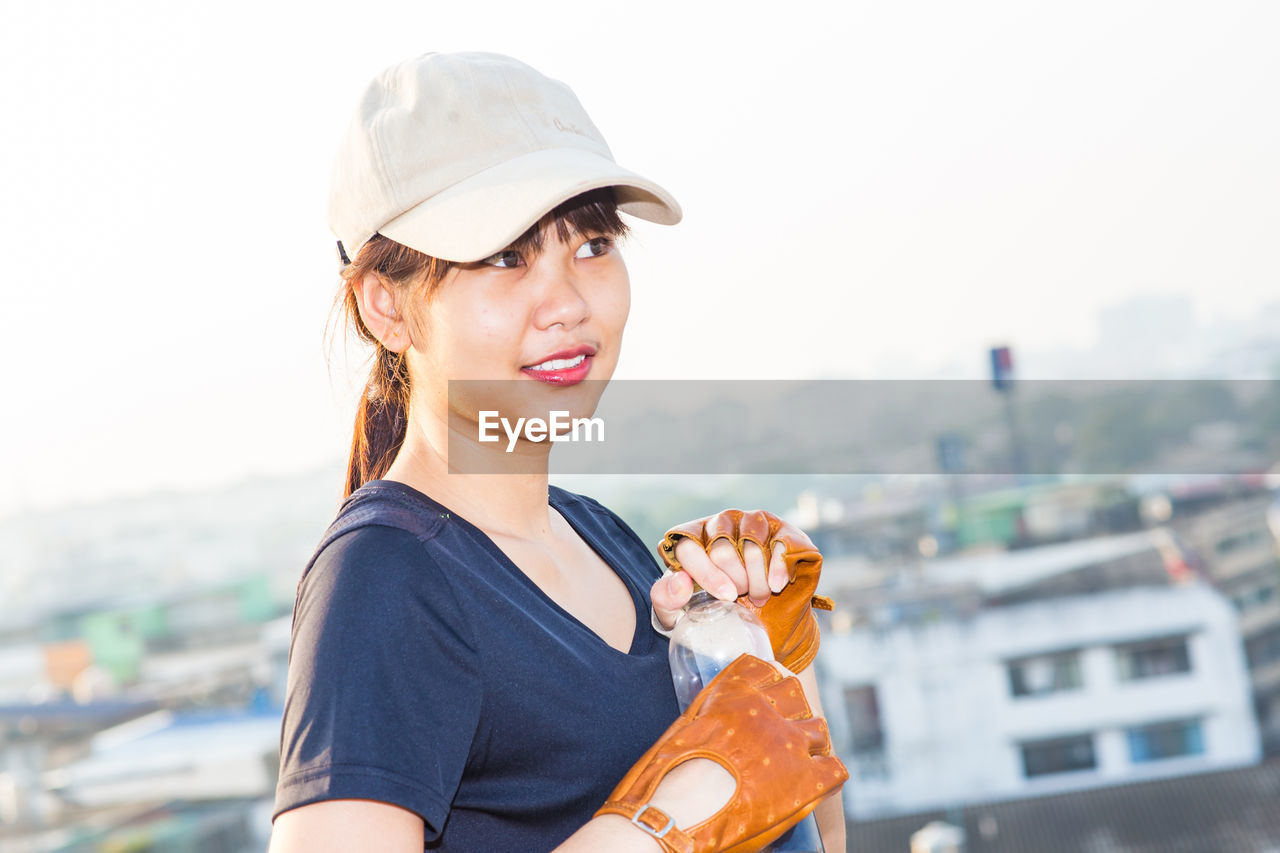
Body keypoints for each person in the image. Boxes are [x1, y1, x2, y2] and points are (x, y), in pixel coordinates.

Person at [268, 51, 847, 853]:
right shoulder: (386, 580)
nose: (569, 302)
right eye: (506, 257)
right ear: (386, 307)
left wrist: (771, 656)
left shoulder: (604, 540)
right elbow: (681, 820)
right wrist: (658, 824)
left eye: (593, 243)